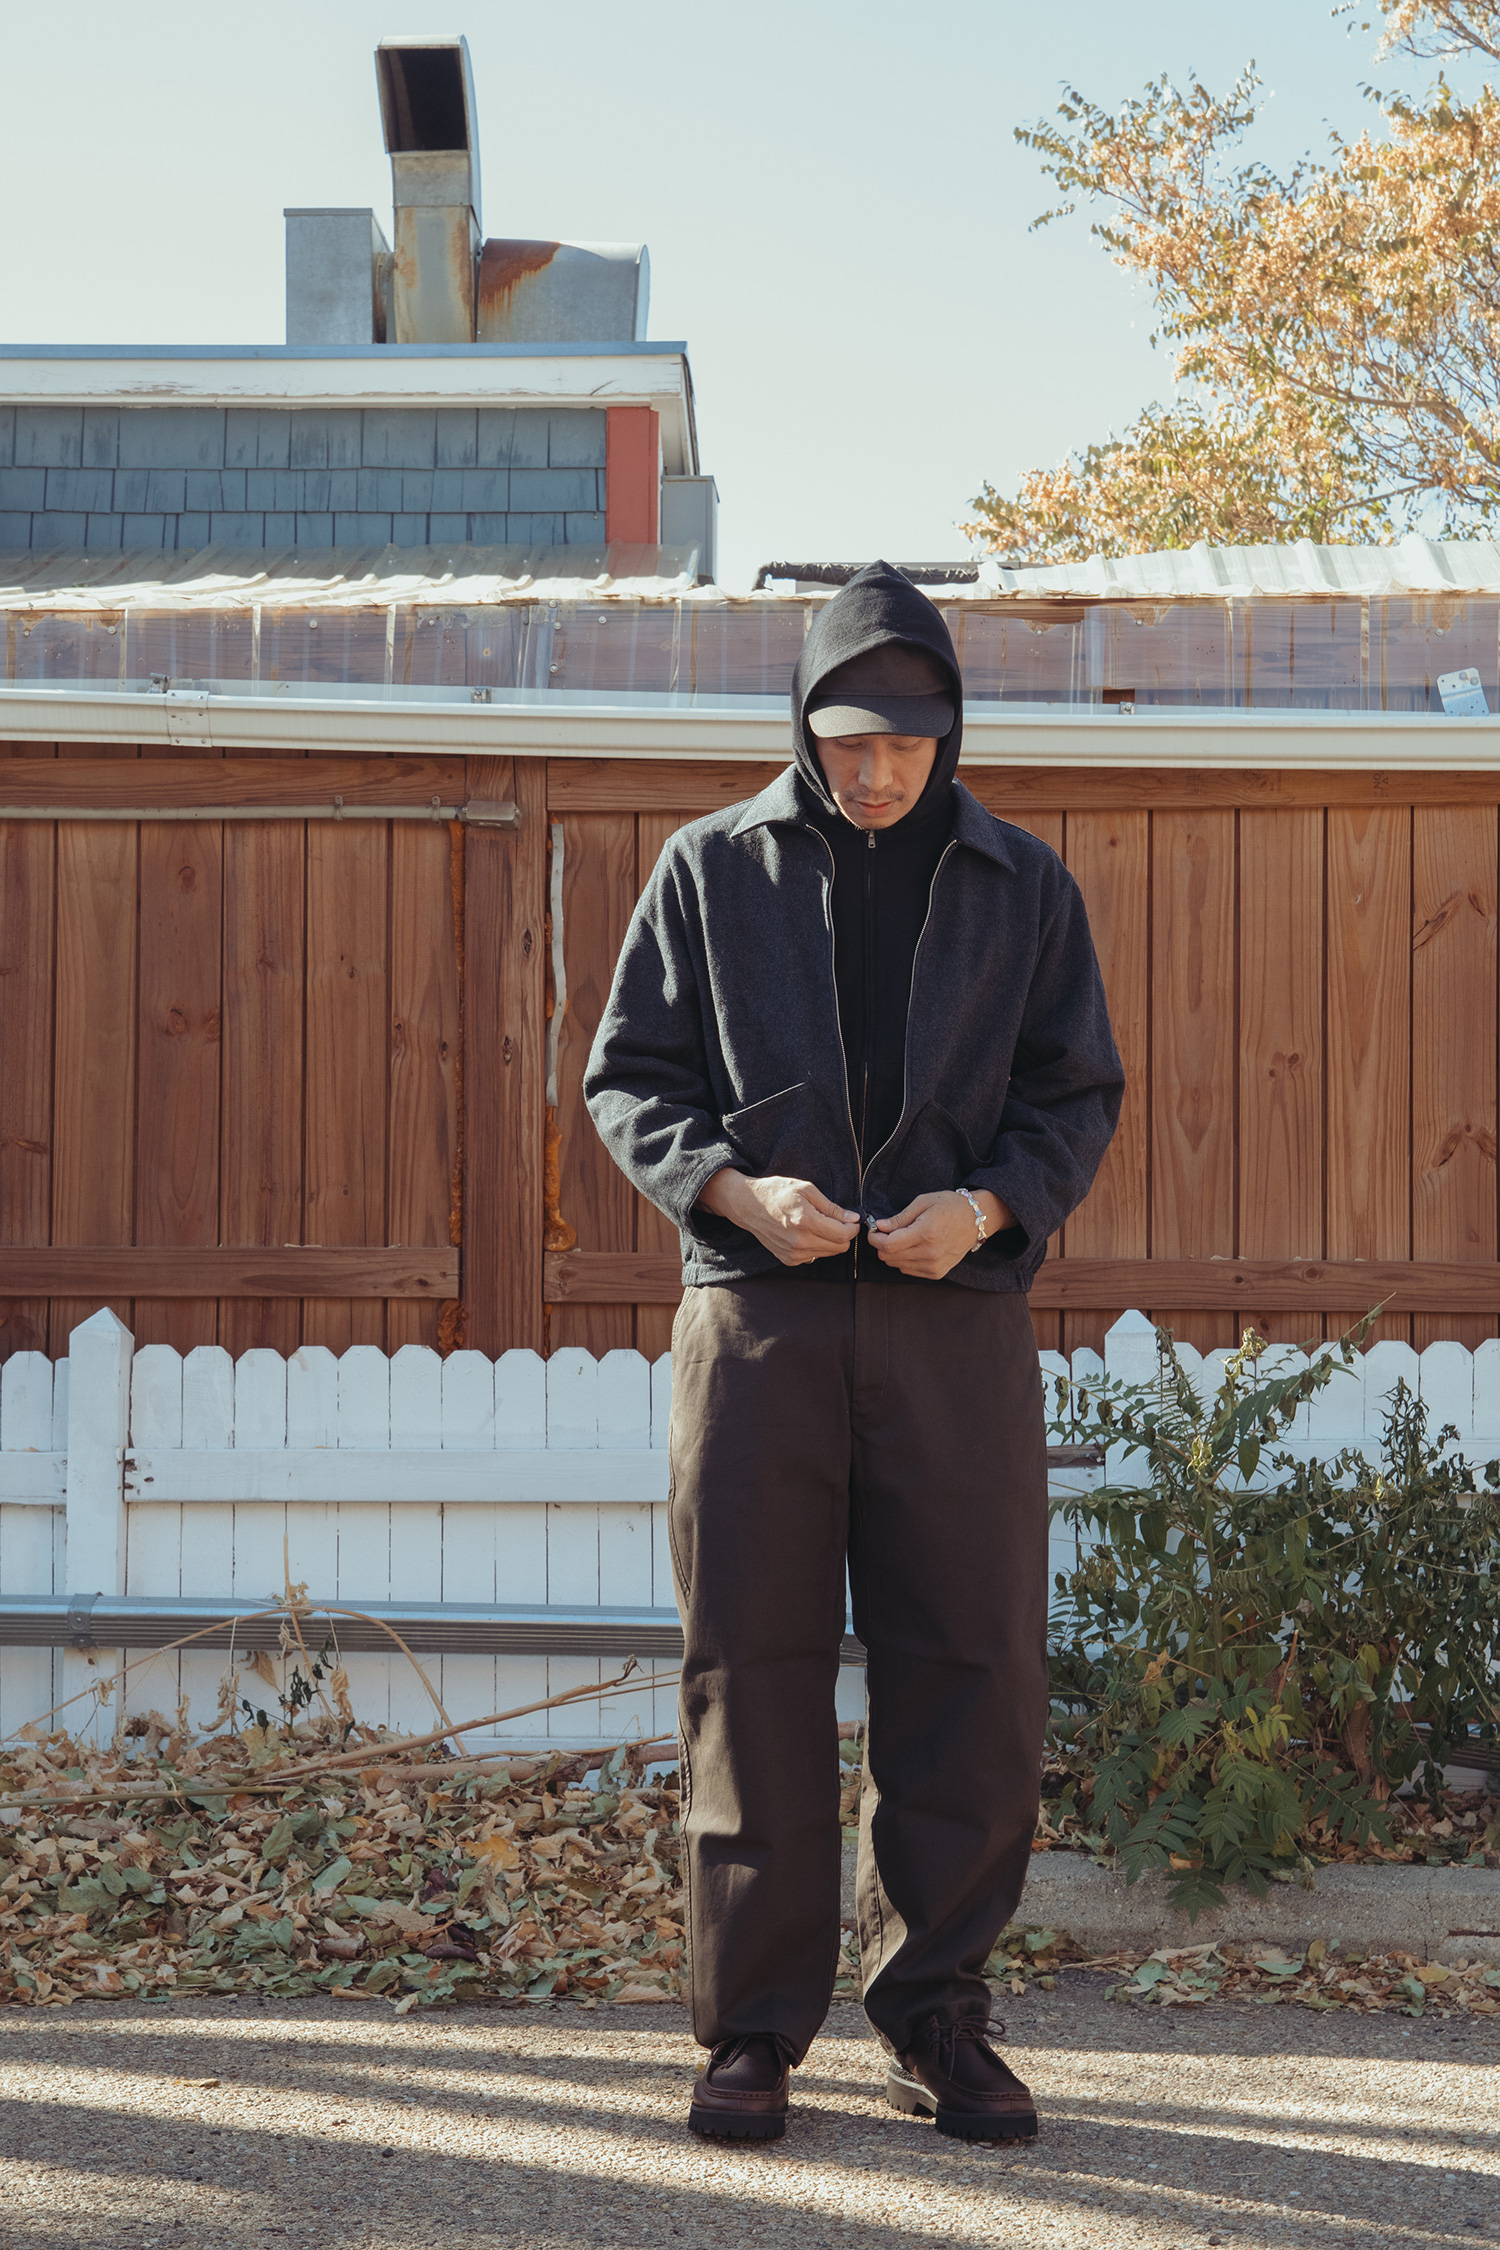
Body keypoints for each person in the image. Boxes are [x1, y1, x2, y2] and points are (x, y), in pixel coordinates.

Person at [584, 560, 1123, 2145]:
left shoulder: (1025, 887)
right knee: (748, 1668)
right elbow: (629, 1077)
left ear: (951, 729)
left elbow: (1076, 1092)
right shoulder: (707, 869)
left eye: (905, 737)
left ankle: (936, 2011)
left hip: (956, 1327)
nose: (875, 766)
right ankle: (753, 2029)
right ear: (803, 724)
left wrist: (991, 1206)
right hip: (757, 1325)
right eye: (847, 737)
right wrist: (740, 1191)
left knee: (971, 1666)